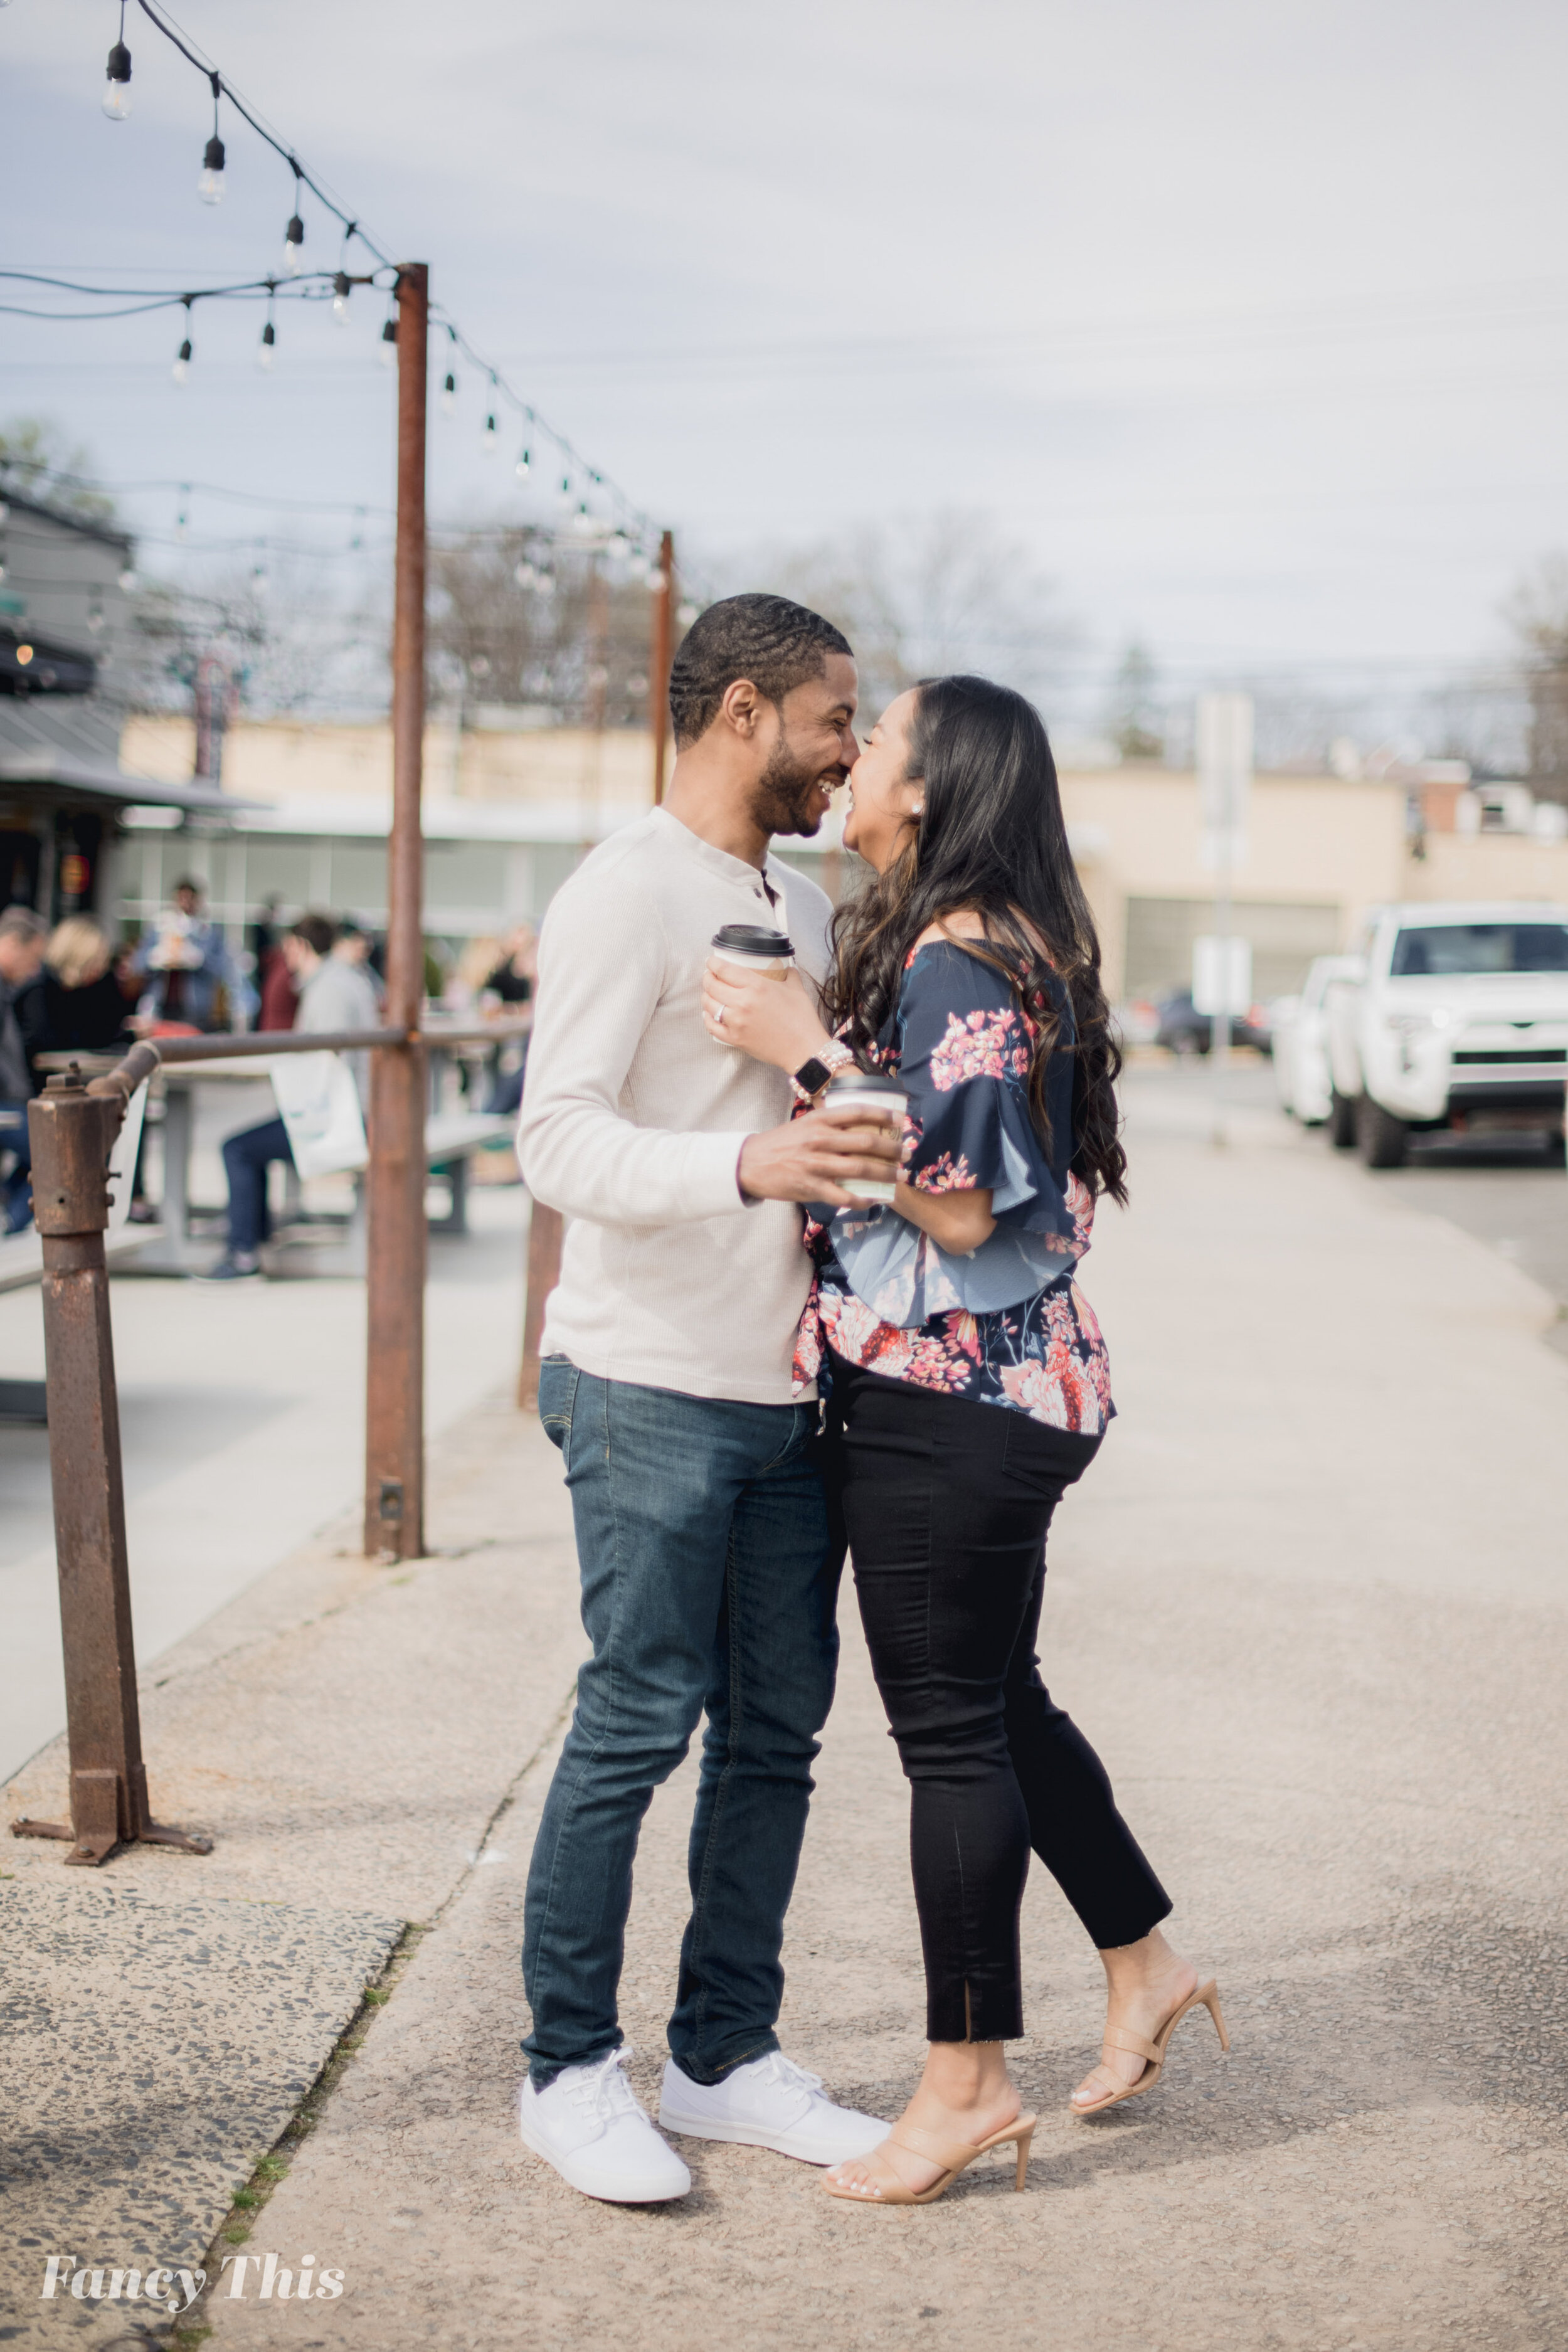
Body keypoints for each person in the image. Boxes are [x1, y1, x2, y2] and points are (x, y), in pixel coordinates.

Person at [702, 675, 1226, 2208]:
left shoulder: (959, 960)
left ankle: (965, 2081)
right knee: (999, 1698)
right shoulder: (1009, 935)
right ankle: (1145, 1965)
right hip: (1000, 1393)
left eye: (873, 743)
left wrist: (804, 1042)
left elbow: (957, 1203)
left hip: (951, 1398)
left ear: (926, 790)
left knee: (949, 1737)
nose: (849, 759)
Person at [515, 594, 905, 2205]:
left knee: (776, 1740)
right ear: (745, 710)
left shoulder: (803, 902)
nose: (848, 750)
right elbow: (556, 1138)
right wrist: (742, 1162)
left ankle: (724, 2055)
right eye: (834, 719)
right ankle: (566, 2069)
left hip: (788, 1392)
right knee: (632, 1723)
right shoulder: (621, 891)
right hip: (645, 1380)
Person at [198, 914, 380, 1283]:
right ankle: (253, 1235)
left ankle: (244, 1253)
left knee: (238, 1149)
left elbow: (324, 1063)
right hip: (355, 1108)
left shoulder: (329, 988)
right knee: (251, 1145)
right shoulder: (344, 979)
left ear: (299, 946)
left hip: (342, 1117)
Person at [16, 915, 135, 1072]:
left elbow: (105, 1035)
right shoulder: (39, 990)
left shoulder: (95, 988)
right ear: (78, 956)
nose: (101, 968)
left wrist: (128, 1031)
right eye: (95, 960)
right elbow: (42, 1045)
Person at [132, 876, 250, 1032]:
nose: (185, 903)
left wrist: (198, 958)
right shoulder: (159, 928)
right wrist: (155, 957)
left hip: (195, 1010)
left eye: (190, 899)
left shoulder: (208, 932)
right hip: (161, 1005)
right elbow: (137, 964)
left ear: (198, 902)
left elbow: (223, 969)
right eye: (181, 898)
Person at [0, 906, 48, 1232]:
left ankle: (10, 1218)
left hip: (12, 1102)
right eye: (32, 959)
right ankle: (9, 1224)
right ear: (13, 943)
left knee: (51, 1149)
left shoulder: (9, 990)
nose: (34, 971)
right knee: (60, 1152)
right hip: (4, 1106)